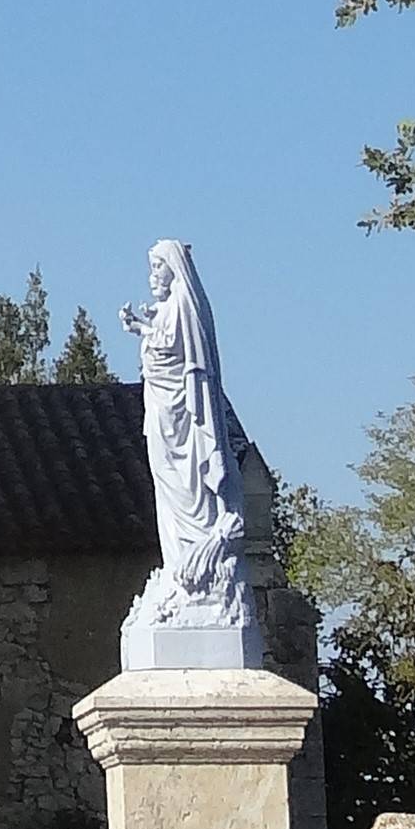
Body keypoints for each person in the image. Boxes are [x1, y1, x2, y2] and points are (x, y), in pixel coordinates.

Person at [120, 238, 260, 662]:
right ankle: (183, 566)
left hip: (182, 419)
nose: (152, 278)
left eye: (157, 269)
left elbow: (176, 355)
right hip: (163, 417)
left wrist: (144, 330)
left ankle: (199, 571)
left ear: (172, 271)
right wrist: (143, 327)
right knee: (170, 491)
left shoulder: (183, 305)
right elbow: (163, 346)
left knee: (191, 489)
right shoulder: (170, 309)